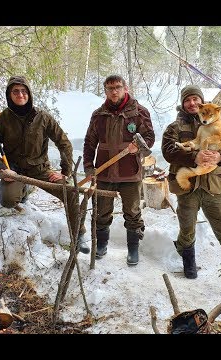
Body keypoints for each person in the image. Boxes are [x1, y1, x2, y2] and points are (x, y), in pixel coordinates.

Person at [161, 84, 221, 279]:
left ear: (202, 101)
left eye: (195, 99)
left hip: (212, 185)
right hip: (187, 186)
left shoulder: (220, 123)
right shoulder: (174, 127)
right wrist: (193, 158)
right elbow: (168, 151)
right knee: (187, 225)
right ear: (183, 104)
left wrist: (220, 157)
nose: (192, 103)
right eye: (187, 100)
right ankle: (188, 262)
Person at [0, 75, 90, 254]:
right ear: (9, 95)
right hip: (15, 171)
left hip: (40, 170)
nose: (20, 94)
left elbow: (64, 143)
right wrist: (3, 169)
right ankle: (22, 190)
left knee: (70, 192)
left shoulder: (43, 117)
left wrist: (65, 172)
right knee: (8, 201)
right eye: (15, 91)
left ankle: (79, 234)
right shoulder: (2, 120)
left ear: (29, 94)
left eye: (23, 91)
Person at [83, 75, 155, 266]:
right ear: (105, 91)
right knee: (101, 211)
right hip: (104, 172)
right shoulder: (99, 115)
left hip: (130, 172)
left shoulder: (139, 112)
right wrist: (89, 167)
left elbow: (149, 138)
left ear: (125, 88)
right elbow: (90, 143)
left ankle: (133, 250)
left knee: (132, 212)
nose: (114, 91)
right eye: (109, 88)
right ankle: (101, 245)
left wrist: (138, 147)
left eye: (117, 87)